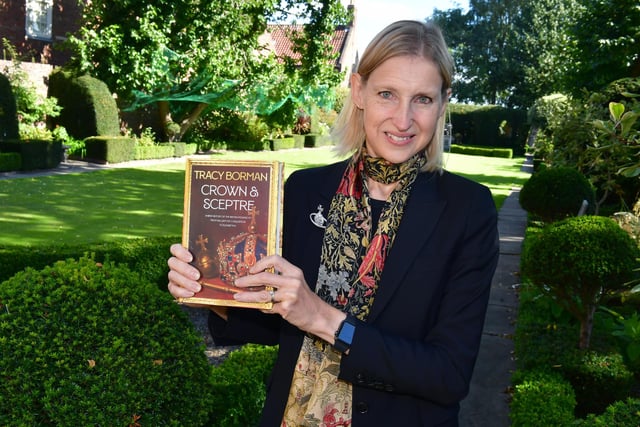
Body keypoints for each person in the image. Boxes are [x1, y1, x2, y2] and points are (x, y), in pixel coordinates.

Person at [168, 20, 499, 426]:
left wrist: (325, 319)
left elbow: (448, 374)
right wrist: (211, 289)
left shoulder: (467, 210)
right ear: (359, 92)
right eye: (387, 94)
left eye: (423, 99)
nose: (403, 119)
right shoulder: (306, 189)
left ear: (443, 102)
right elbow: (279, 322)